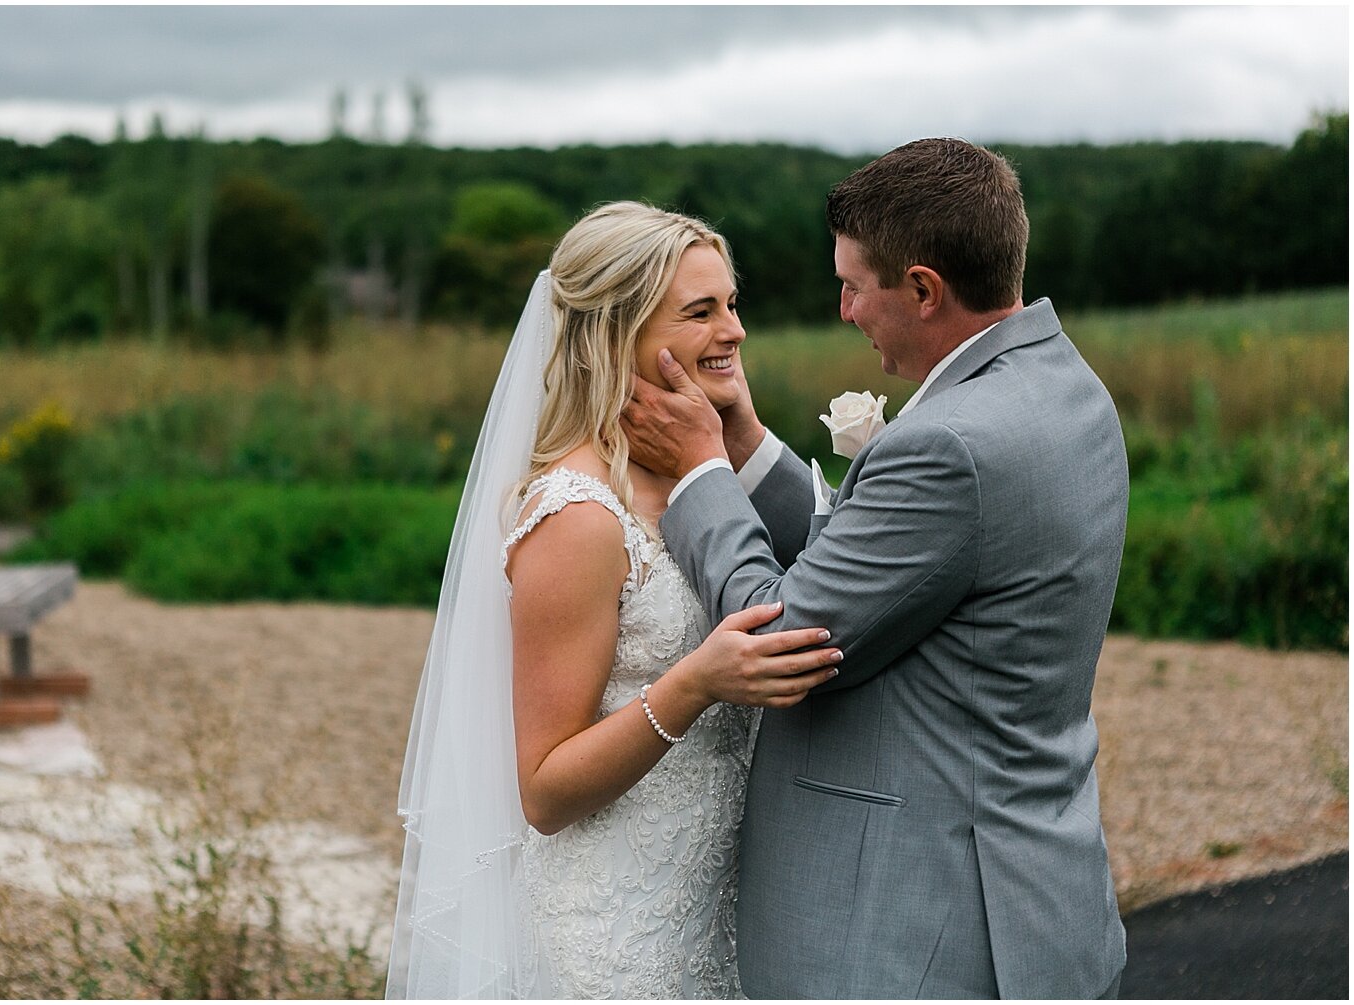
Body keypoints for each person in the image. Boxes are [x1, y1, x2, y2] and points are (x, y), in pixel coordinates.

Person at [622, 138, 1130, 998]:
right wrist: (745, 440)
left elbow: (781, 636)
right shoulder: (1064, 386)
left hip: (918, 931)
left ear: (924, 288)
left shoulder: (951, 445)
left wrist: (700, 470)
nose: (846, 308)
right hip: (1037, 894)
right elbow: (888, 559)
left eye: (855, 284)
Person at [386, 202, 843, 999]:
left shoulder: (709, 478)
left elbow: (827, 570)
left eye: (732, 304)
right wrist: (694, 683)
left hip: (726, 918)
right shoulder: (579, 515)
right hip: (616, 937)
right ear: (615, 332)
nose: (733, 330)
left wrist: (738, 434)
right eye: (700, 311)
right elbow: (545, 789)